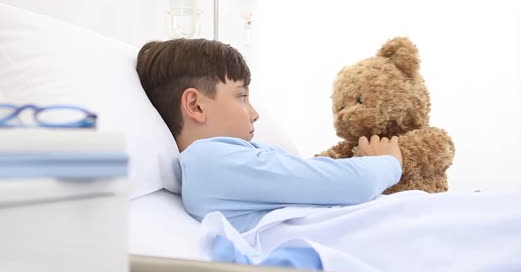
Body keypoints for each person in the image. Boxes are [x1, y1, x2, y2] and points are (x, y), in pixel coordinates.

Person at [137, 38, 403, 233]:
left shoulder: (223, 162)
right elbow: (349, 183)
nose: (254, 113)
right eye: (241, 96)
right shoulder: (208, 160)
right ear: (195, 106)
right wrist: (387, 162)